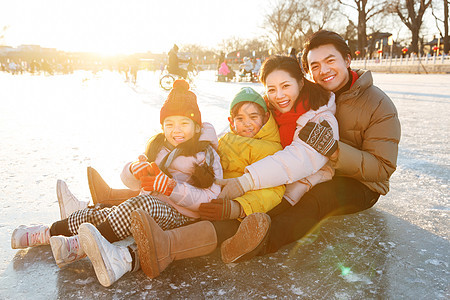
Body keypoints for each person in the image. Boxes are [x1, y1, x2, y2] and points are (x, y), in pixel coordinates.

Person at [129, 55, 340, 277]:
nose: (279, 95)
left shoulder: (320, 119)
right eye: (271, 89)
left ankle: (169, 246)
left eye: (285, 86)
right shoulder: (268, 109)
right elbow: (230, 134)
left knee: (232, 223)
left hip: (290, 187)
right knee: (188, 190)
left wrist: (239, 200)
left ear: (301, 82)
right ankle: (118, 199)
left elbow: (295, 162)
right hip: (238, 185)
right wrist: (203, 143)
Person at [10, 79, 223, 287]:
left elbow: (211, 197)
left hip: (182, 214)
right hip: (150, 203)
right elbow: (132, 184)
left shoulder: (205, 154)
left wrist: (171, 188)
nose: (176, 130)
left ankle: (79, 245)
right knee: (101, 212)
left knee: (139, 207)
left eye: (184, 123)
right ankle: (48, 233)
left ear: (196, 127)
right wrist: (133, 170)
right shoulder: (159, 147)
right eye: (170, 124)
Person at [218, 30, 401, 257]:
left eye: (330, 61)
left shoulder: (378, 104)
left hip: (360, 183)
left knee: (318, 198)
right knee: (277, 191)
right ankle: (225, 228)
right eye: (315, 66)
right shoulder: (307, 96)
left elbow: (383, 168)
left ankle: (263, 240)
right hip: (313, 170)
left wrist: (335, 151)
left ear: (347, 59)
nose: (323, 71)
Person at [129, 86, 287, 279]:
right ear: (231, 121)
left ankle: (168, 246)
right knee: (171, 191)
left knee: (220, 227)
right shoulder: (228, 138)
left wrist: (237, 207)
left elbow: (273, 190)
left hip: (237, 208)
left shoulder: (272, 149)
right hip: (210, 196)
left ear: (265, 117)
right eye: (240, 119)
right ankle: (113, 197)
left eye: (254, 117)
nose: (247, 124)